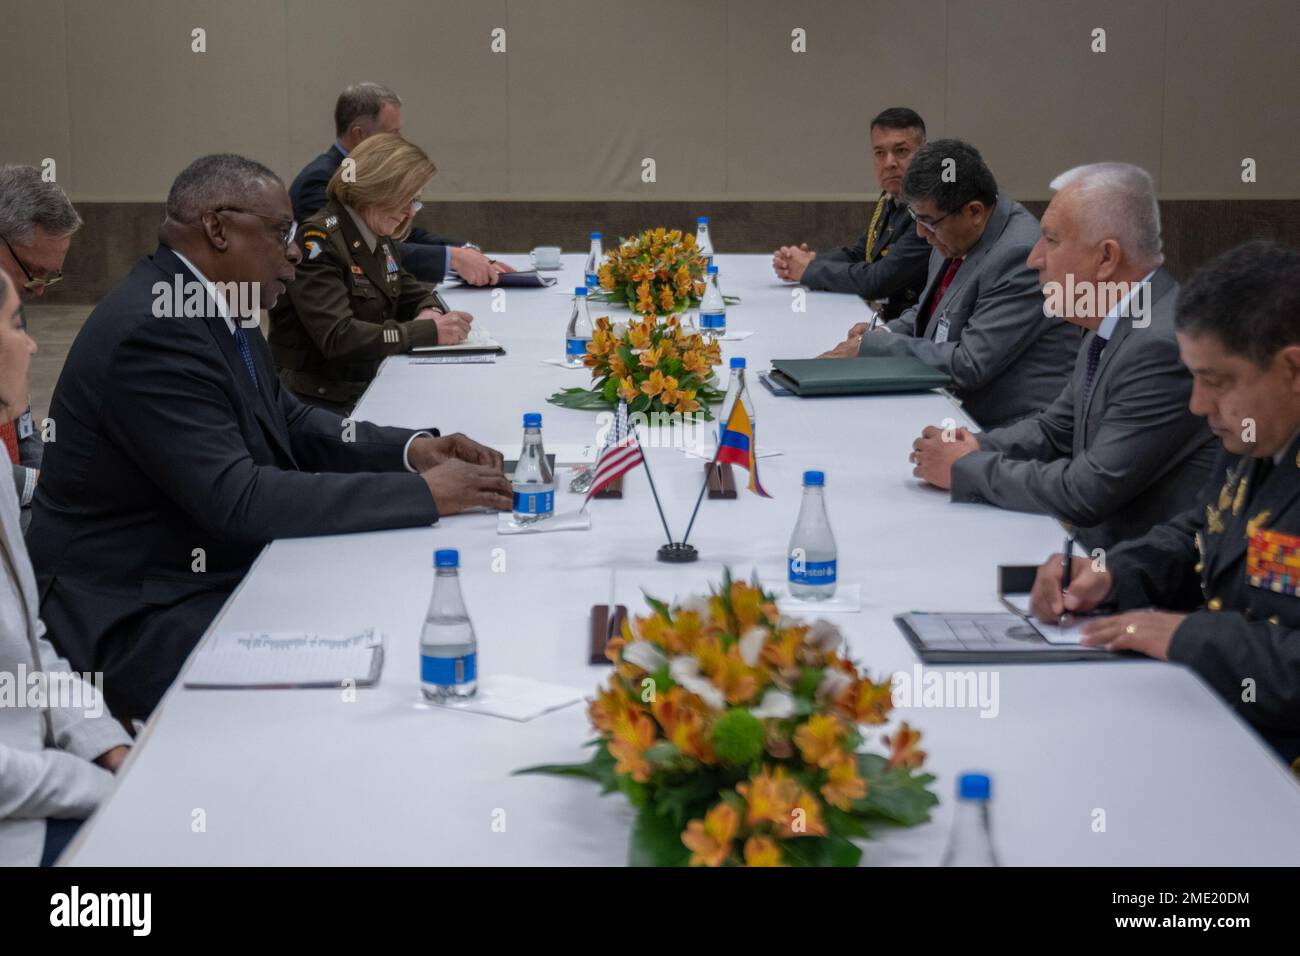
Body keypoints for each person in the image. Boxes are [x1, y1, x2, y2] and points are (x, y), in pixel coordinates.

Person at [27, 154, 513, 720]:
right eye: (282, 232)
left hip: (185, 570)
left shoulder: (208, 299)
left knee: (377, 603)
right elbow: (241, 499)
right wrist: (424, 496)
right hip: (131, 612)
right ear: (217, 228)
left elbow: (289, 418)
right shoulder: (156, 331)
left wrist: (412, 451)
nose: (295, 251)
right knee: (364, 678)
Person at [1028, 241, 1300, 762]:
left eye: (1216, 381)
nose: (1199, 405)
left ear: (1291, 369)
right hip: (1222, 723)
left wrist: (1192, 636)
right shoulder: (1261, 432)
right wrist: (1111, 575)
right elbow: (1200, 534)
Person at [907, 163, 1216, 550]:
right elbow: (1055, 430)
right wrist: (973, 445)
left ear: (1106, 258)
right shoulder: (1107, 319)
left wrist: (964, 467)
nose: (1034, 259)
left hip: (1133, 579)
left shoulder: (1160, 347)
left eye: (1050, 241)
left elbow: (1088, 491)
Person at [0, 269, 132, 867]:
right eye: (14, 325)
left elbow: (31, 650)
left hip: (38, 784)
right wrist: (104, 790)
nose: (31, 345)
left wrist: (110, 748)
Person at [820, 139, 1079, 428]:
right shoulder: (954, 233)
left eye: (928, 221)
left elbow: (970, 363)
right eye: (915, 218)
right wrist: (884, 330)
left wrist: (876, 347)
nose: (921, 232)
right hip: (951, 409)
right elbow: (933, 313)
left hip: (1008, 431)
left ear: (974, 212)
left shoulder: (1019, 256)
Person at [271, 134, 475, 413]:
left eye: (415, 201)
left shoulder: (374, 232)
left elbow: (410, 291)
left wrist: (431, 312)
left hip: (363, 385)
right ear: (375, 186)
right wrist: (425, 331)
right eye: (403, 199)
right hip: (320, 403)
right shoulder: (318, 238)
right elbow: (339, 337)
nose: (408, 213)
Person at [289, 81, 509, 287]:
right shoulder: (319, 181)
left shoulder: (358, 173)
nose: (400, 141)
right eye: (393, 133)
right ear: (360, 134)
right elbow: (357, 247)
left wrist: (463, 250)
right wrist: (453, 259)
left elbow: (398, 235)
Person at [772, 107, 930, 319]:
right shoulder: (890, 198)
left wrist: (809, 270)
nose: (889, 163)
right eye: (879, 153)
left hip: (910, 330)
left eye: (901, 151)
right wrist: (811, 259)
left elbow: (877, 281)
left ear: (924, 152)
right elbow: (861, 253)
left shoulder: (928, 209)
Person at [0, 166, 83, 531]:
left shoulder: (10, 303)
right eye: (33, 271)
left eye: (52, 275)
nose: (39, 289)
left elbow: (22, 432)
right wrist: (47, 485)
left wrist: (59, 472)